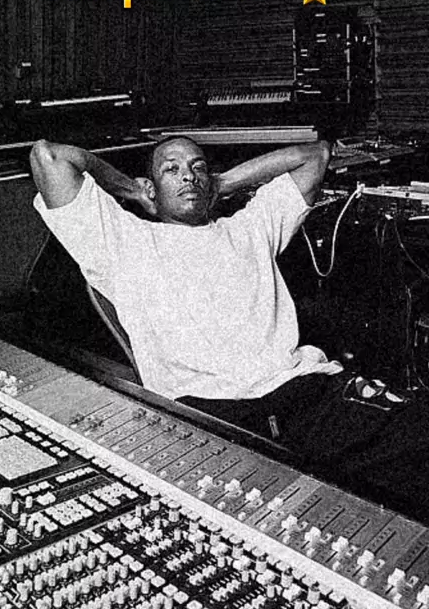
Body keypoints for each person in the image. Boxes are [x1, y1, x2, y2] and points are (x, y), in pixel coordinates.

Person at [30, 135, 429, 520]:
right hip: (213, 415)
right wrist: (131, 190)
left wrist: (221, 183)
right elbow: (49, 157)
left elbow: (315, 156)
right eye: (171, 169)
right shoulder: (123, 242)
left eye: (197, 167)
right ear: (153, 187)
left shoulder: (250, 227)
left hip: (304, 394)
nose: (188, 176)